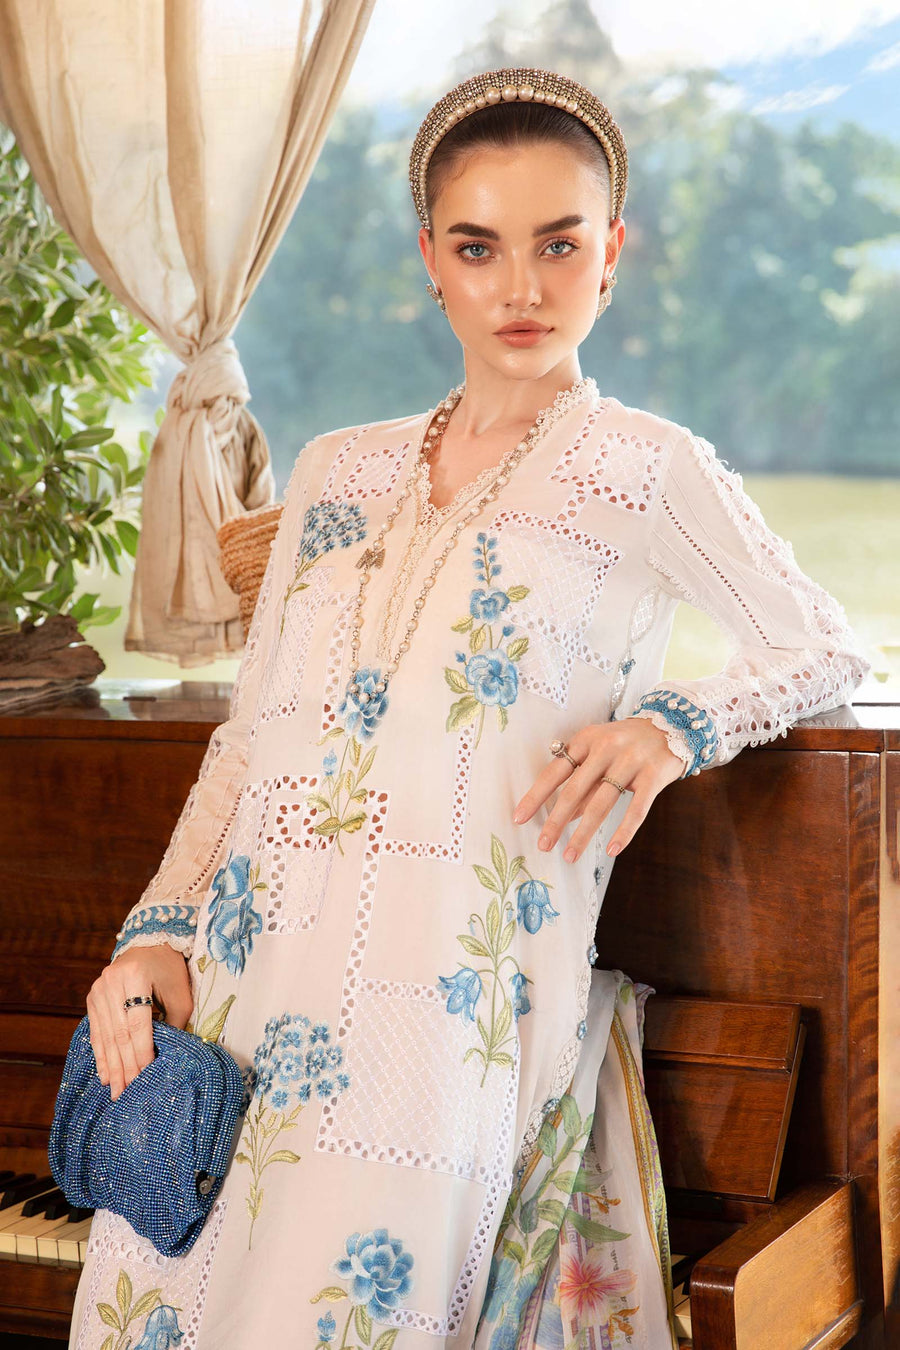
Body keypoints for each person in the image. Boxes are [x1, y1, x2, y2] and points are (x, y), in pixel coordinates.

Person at [69, 67, 871, 1350]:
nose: (521, 288)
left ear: (612, 253)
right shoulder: (337, 471)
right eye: (478, 246)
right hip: (240, 981)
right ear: (431, 262)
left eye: (560, 244)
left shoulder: (648, 472)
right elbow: (249, 738)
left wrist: (670, 729)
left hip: (443, 1013)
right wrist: (157, 931)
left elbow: (820, 643)